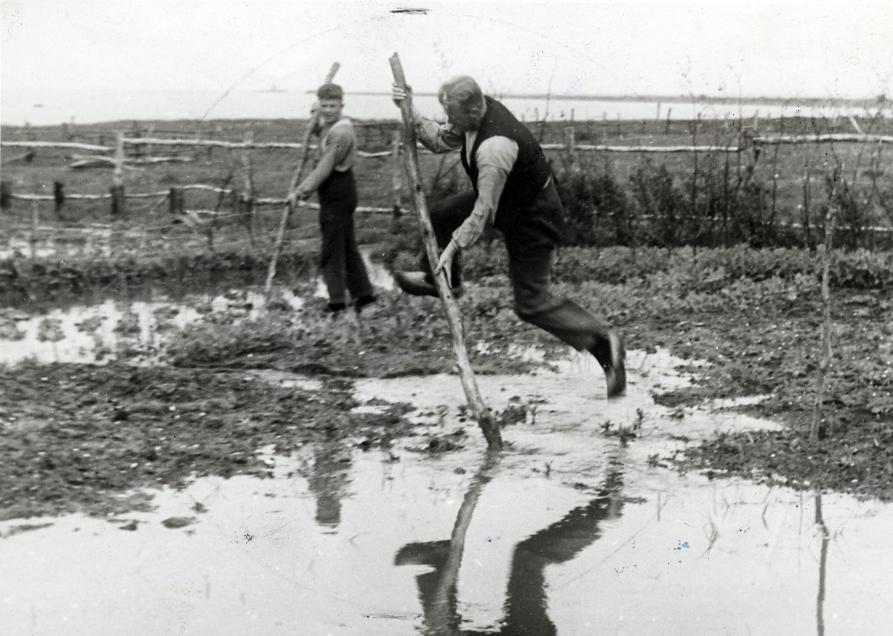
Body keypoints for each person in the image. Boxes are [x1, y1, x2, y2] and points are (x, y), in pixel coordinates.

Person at [392, 75, 626, 397]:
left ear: (474, 109)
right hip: (511, 203)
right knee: (440, 216)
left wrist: (452, 248)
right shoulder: (472, 113)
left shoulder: (494, 147)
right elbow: (440, 139)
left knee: (531, 303)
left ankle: (602, 340)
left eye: (454, 116)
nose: (450, 123)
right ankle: (445, 282)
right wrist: (409, 107)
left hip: (533, 217)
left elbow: (483, 213)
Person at [290, 83, 375, 314]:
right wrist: (314, 119)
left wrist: (301, 191)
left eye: (333, 105)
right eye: (324, 105)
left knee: (331, 249)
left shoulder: (341, 132)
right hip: (338, 191)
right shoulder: (332, 125)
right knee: (347, 247)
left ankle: (336, 302)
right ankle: (364, 297)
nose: (328, 109)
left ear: (341, 105)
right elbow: (321, 130)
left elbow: (324, 167)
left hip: (338, 190)